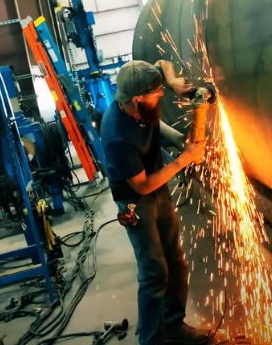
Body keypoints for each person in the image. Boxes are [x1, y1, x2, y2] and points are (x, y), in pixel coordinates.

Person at [100, 60, 209, 345]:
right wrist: (185, 159)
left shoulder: (138, 100)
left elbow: (155, 120)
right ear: (137, 98)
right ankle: (151, 341)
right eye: (157, 92)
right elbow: (142, 185)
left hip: (158, 188)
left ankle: (174, 326)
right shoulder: (116, 136)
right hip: (135, 202)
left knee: (176, 261)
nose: (161, 95)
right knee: (153, 273)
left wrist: (178, 139)